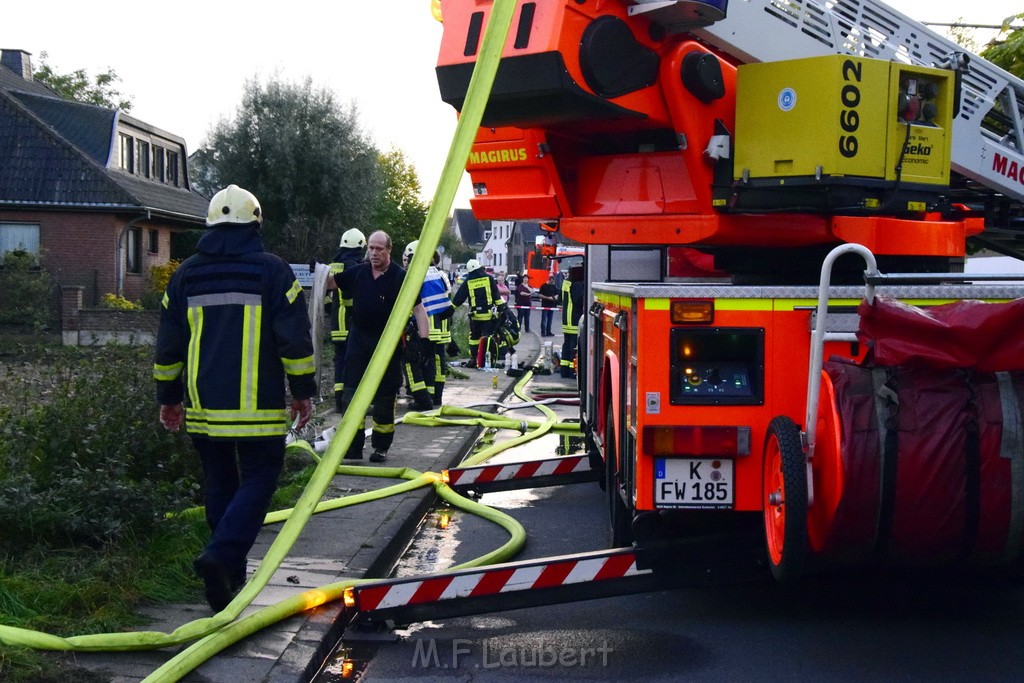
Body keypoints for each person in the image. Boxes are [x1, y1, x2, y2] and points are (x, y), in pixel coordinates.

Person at [153, 185, 315, 612]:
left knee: (220, 482)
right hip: (257, 407)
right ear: (255, 224)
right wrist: (302, 393)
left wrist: (168, 397)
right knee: (260, 478)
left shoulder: (185, 274)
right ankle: (221, 557)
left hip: (204, 408)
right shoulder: (274, 272)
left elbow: (168, 346)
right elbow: (295, 341)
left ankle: (229, 582)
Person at [332, 230, 430, 462]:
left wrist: (425, 340)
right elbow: (331, 282)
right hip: (358, 341)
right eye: (371, 248)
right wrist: (319, 272)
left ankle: (381, 447)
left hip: (387, 344)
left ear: (389, 250)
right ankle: (352, 447)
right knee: (352, 395)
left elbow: (419, 309)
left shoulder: (400, 277)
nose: (374, 253)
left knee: (385, 398)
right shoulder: (359, 272)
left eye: (379, 249)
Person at [402, 240, 455, 406]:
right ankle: (434, 397)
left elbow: (410, 305)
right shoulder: (439, 275)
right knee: (435, 364)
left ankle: (423, 399)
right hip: (439, 329)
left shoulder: (414, 276)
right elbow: (448, 305)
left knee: (413, 363)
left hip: (420, 329)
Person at [327, 228, 367, 412]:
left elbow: (326, 296)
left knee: (339, 360)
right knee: (351, 361)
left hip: (336, 322)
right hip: (350, 322)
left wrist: (331, 309)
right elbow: (350, 296)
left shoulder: (333, 265)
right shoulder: (353, 265)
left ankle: (338, 401)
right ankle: (349, 402)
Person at [451, 258, 507, 368]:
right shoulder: (489, 278)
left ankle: (474, 358)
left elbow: (459, 298)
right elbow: (496, 295)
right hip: (488, 315)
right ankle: (487, 359)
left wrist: (450, 310)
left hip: (475, 316)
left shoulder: (468, 281)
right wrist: (501, 309)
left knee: (474, 338)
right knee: (487, 337)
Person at [560, 264, 585, 378]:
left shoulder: (566, 283)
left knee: (567, 345)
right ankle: (572, 372)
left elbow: (560, 299)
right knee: (574, 347)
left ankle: (564, 371)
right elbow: (578, 300)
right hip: (574, 319)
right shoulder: (576, 284)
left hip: (566, 320)